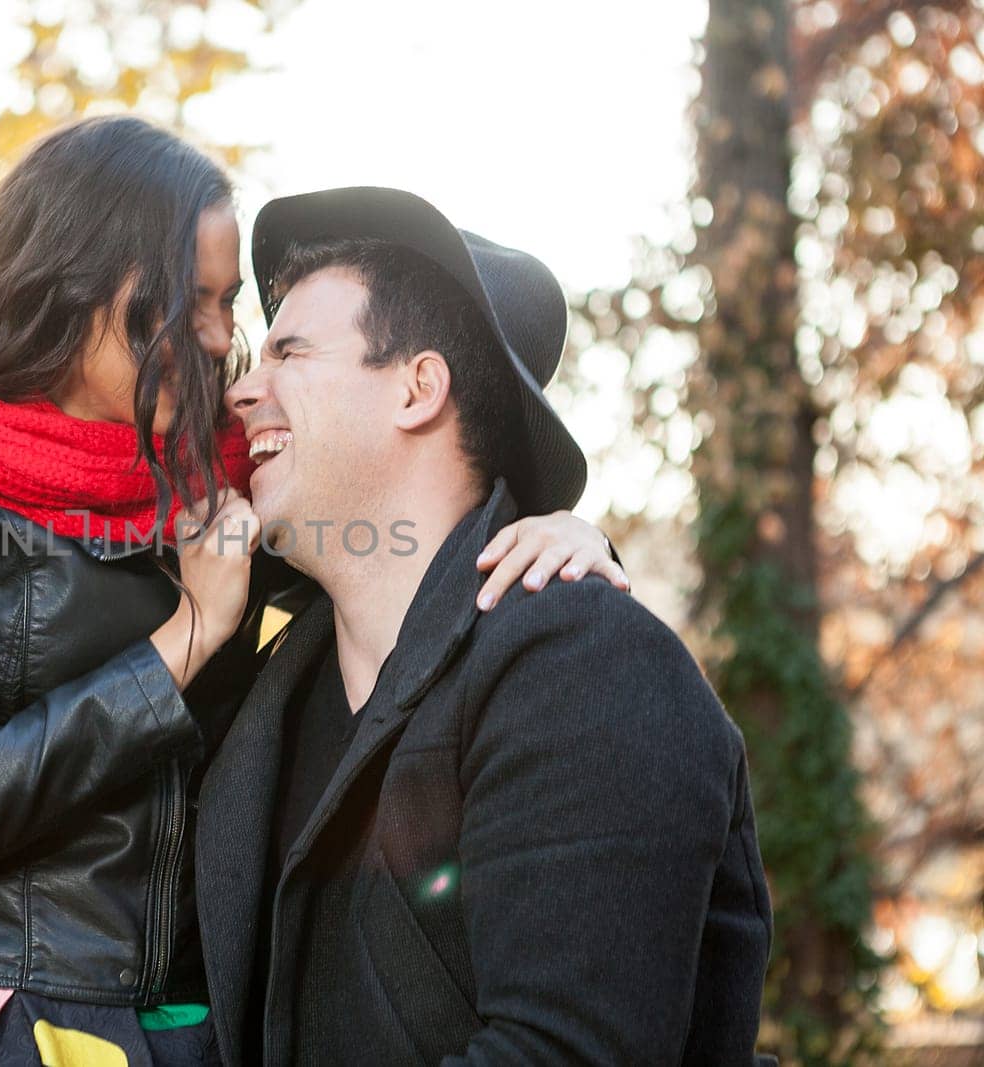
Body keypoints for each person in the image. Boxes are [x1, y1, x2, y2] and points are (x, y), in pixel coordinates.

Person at [0, 121, 625, 1067]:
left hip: (192, 1020)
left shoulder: (229, 482)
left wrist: (568, 533)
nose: (224, 339)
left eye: (229, 305)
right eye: (196, 303)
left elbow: (409, 554)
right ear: (86, 280)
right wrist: (190, 635)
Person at [193, 187, 773, 1066]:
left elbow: (565, 1052)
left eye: (290, 351)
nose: (243, 390)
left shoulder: (586, 666)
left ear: (418, 388)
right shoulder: (264, 692)